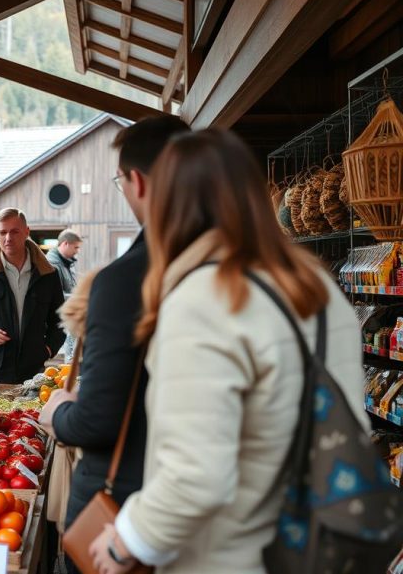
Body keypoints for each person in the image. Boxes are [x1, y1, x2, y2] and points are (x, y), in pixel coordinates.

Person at [83, 130, 365, 574]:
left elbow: (196, 475)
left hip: (233, 556)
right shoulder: (317, 290)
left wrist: (129, 538)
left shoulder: (205, 299)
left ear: (166, 201)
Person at [38, 115, 189, 573]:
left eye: (119, 181)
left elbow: (98, 421)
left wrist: (58, 411)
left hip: (125, 514)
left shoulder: (126, 280)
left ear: (137, 182)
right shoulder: (229, 269)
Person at [0, 208, 65, 385]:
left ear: (26, 232)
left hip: (32, 371)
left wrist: (47, 350)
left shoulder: (48, 274)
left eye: (14, 231)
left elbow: (60, 321)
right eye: (3, 232)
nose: (8, 238)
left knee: (29, 414)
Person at [47, 229, 81, 297]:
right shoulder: (52, 265)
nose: (78, 251)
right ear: (65, 244)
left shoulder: (68, 262)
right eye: (76, 247)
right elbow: (55, 296)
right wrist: (79, 298)